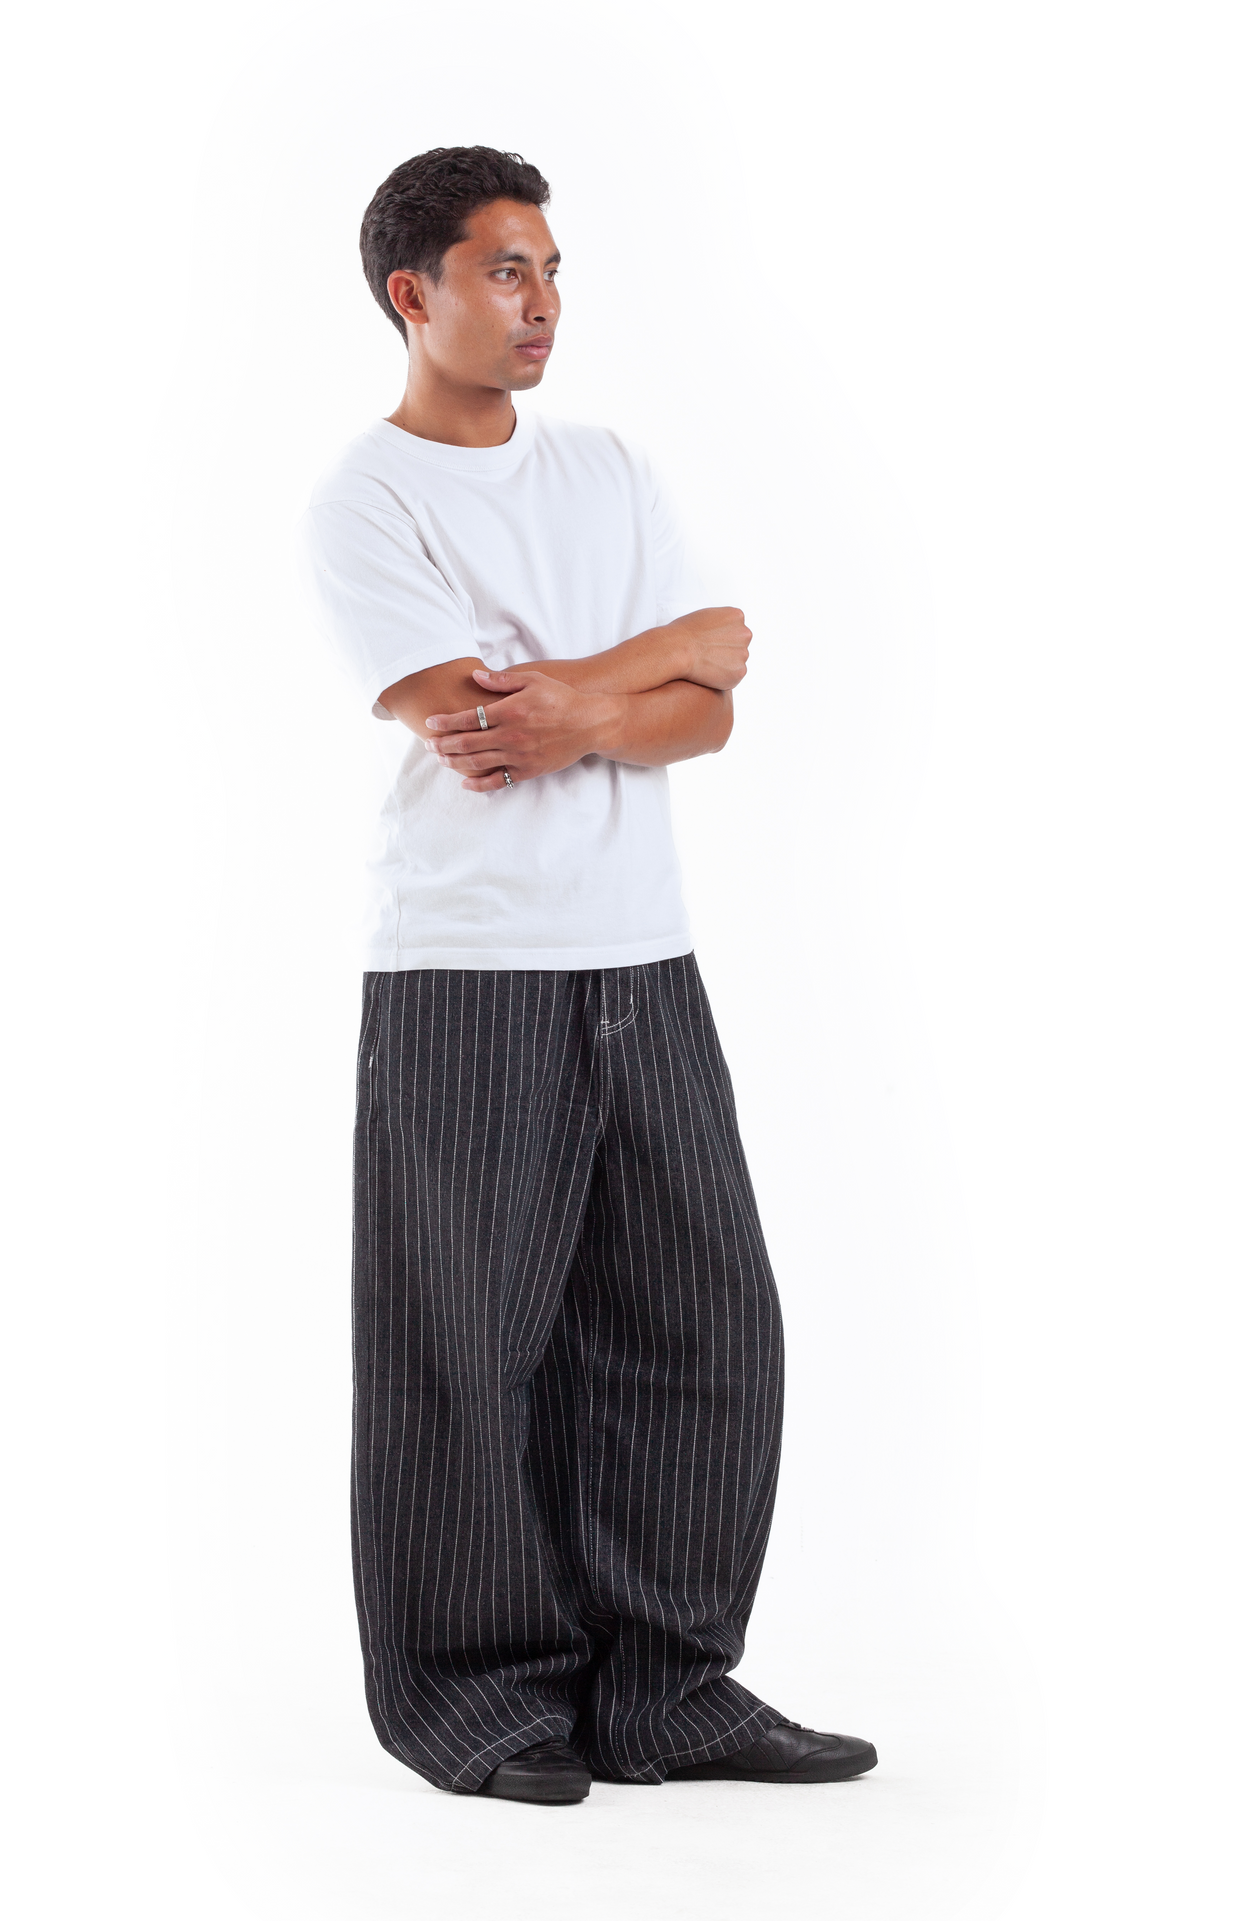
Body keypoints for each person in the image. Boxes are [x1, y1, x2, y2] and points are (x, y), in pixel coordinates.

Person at [299, 145, 876, 1807]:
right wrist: (648, 671)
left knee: (704, 1321)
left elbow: (721, 690)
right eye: (505, 270)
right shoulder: (367, 496)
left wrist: (598, 693)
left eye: (551, 271)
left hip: (644, 949)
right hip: (468, 963)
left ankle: (665, 1688)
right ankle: (476, 1696)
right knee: (463, 1344)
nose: (541, 301)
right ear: (412, 293)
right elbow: (471, 725)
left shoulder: (610, 468)